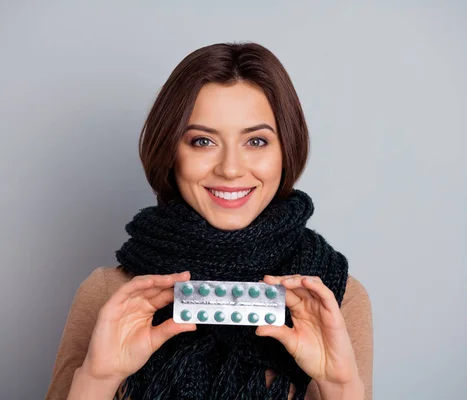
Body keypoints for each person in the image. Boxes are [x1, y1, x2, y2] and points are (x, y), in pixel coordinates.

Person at [45, 42, 373, 400]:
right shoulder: (111, 297)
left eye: (257, 141)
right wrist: (97, 378)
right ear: (171, 153)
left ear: (286, 151)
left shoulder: (334, 300)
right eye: (202, 141)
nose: (230, 169)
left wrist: (339, 387)